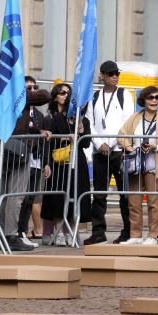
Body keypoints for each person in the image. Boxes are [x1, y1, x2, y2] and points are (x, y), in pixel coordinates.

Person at [117, 85, 158, 244]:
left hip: (154, 163)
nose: (154, 100)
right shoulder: (135, 118)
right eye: (150, 97)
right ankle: (135, 235)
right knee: (134, 200)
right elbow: (121, 136)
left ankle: (153, 235)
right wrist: (130, 149)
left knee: (153, 201)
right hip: (135, 163)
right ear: (144, 100)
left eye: (157, 98)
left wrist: (155, 147)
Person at [85, 61, 132, 245]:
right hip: (100, 152)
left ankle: (128, 231)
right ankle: (98, 231)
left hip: (119, 151)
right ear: (102, 76)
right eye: (111, 74)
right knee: (99, 194)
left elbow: (127, 122)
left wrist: (111, 143)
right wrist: (99, 143)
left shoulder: (124, 95)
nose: (115, 77)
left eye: (116, 74)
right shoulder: (94, 97)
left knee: (124, 193)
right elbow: (90, 123)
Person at [40, 81, 91, 246]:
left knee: (75, 196)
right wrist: (46, 162)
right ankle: (57, 231)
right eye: (62, 93)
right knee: (57, 197)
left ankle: (71, 231)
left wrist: (81, 130)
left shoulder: (83, 121)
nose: (66, 96)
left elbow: (85, 143)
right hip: (59, 162)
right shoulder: (55, 118)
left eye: (68, 93)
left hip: (77, 161)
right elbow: (49, 142)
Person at [17, 76, 46, 246]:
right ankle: (18, 232)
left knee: (31, 198)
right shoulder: (19, 110)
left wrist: (46, 162)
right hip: (21, 158)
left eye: (34, 87)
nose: (32, 91)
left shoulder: (39, 114)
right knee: (20, 197)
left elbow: (41, 136)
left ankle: (23, 232)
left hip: (36, 161)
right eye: (28, 88)